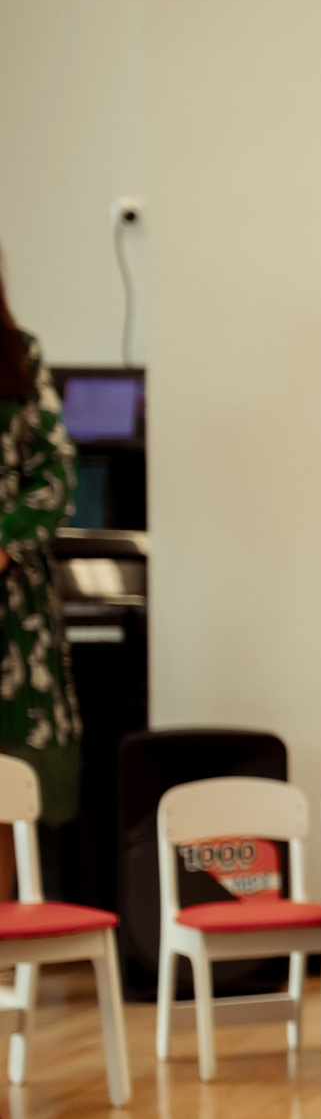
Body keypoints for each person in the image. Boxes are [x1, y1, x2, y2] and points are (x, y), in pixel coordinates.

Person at [0, 267, 80, 857]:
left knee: (4, 795)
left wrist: (3, 542)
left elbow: (57, 474)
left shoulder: (17, 353)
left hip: (10, 603)